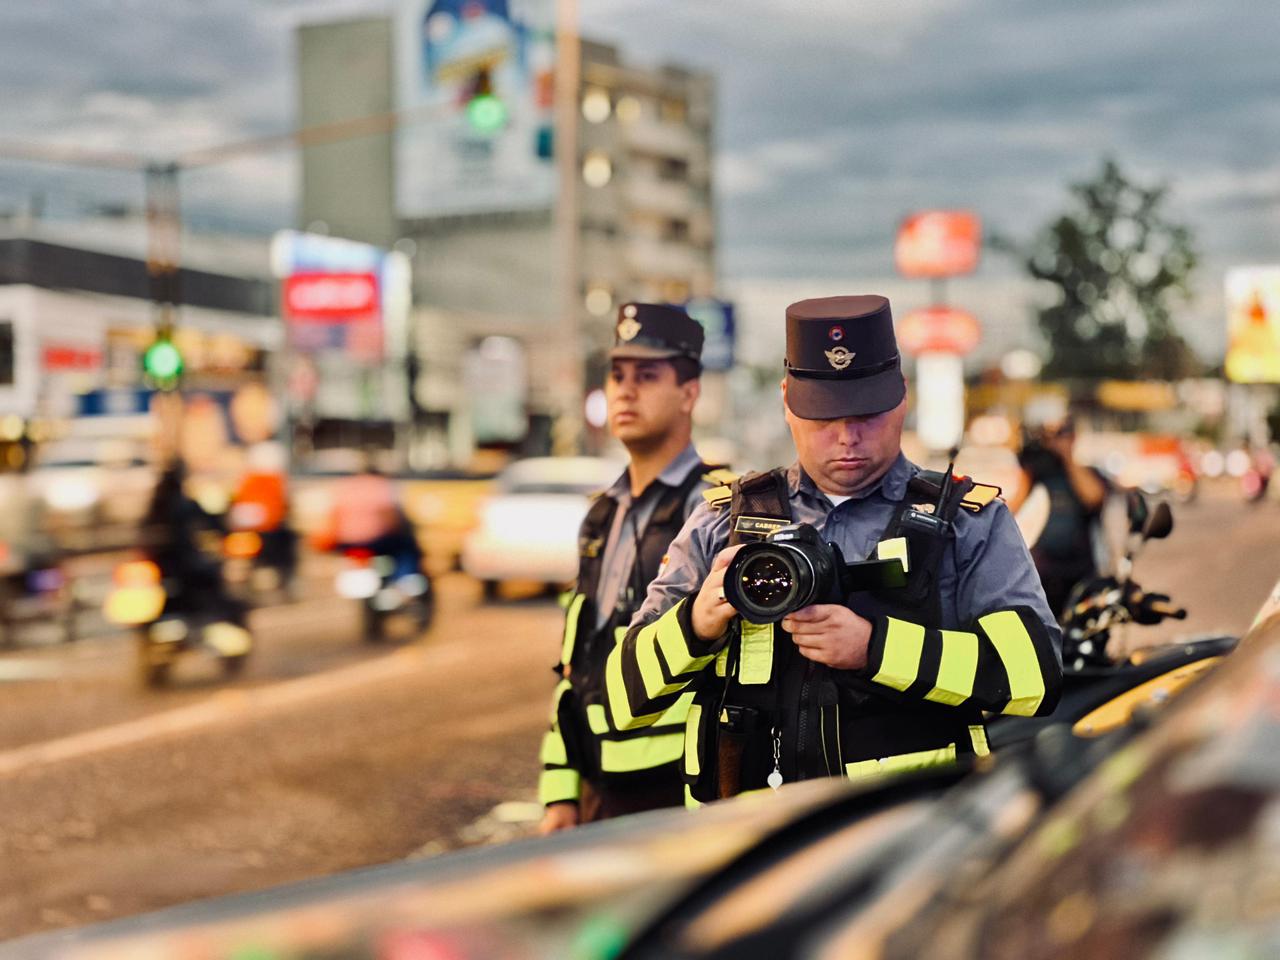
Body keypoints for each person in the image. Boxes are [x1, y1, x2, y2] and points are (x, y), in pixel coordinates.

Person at [605, 295, 1063, 807]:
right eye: (824, 415)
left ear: (901, 395)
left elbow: (1035, 676)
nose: (848, 437)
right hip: (752, 835)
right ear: (787, 400)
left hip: (912, 829)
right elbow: (623, 701)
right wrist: (697, 622)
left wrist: (874, 648)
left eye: (867, 413)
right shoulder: (720, 521)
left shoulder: (967, 522)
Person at [538, 303, 734, 833]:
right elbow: (575, 661)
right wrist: (561, 790)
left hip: (681, 791)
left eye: (647, 376)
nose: (625, 392)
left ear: (689, 393)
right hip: (599, 792)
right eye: (617, 375)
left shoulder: (721, 511)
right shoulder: (601, 515)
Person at [1008, 416, 1109, 616]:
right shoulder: (1039, 474)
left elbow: (1094, 497)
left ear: (1073, 437)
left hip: (1080, 572)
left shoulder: (1087, 472)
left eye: (1060, 434)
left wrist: (1067, 458)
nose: (1054, 441)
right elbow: (1012, 510)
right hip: (1042, 571)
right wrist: (1028, 470)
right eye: (1049, 436)